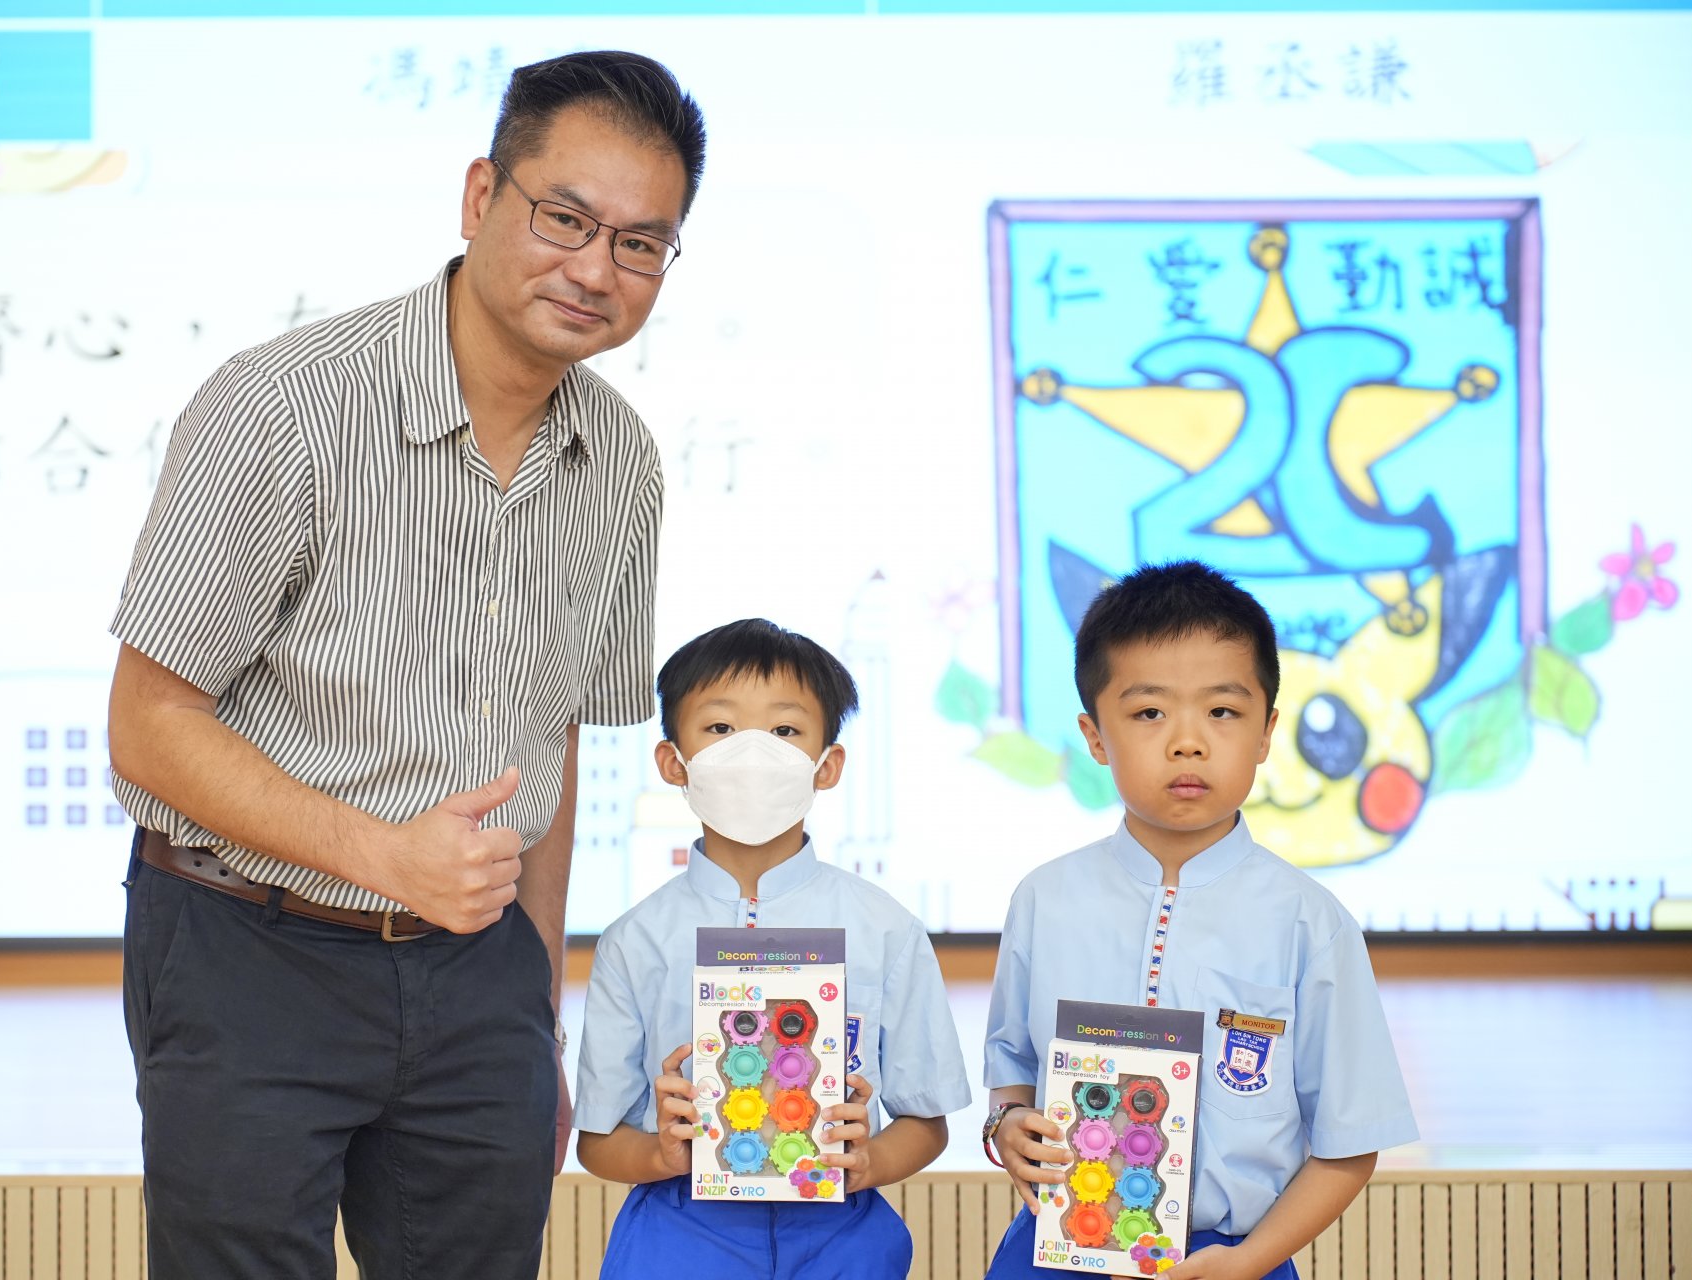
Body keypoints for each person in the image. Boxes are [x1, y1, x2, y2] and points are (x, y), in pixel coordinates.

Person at [105, 51, 705, 1280]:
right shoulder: (283, 405)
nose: (597, 269)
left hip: (479, 976)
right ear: (481, 195)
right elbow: (148, 721)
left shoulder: (624, 462)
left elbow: (552, 746)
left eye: (641, 243)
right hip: (244, 944)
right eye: (565, 218)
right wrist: (385, 854)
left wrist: (534, 1010)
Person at [980, 562, 1419, 1279]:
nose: (1188, 741)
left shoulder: (1310, 923)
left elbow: (1350, 1144)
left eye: (1222, 711)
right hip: (1056, 1252)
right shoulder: (1043, 900)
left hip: (1234, 1259)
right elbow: (1012, 1074)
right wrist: (1005, 1125)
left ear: (1267, 731)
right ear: (1095, 736)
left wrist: (1248, 1262)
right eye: (1149, 713)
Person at [573, 618, 973, 1278]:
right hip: (677, 1232)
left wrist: (869, 1160)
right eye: (721, 727)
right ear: (673, 762)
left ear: (827, 765)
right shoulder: (634, 940)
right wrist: (659, 1155)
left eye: (785, 730)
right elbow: (597, 1139)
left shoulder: (886, 929)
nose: (753, 753)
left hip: (841, 1233)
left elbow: (926, 1122)